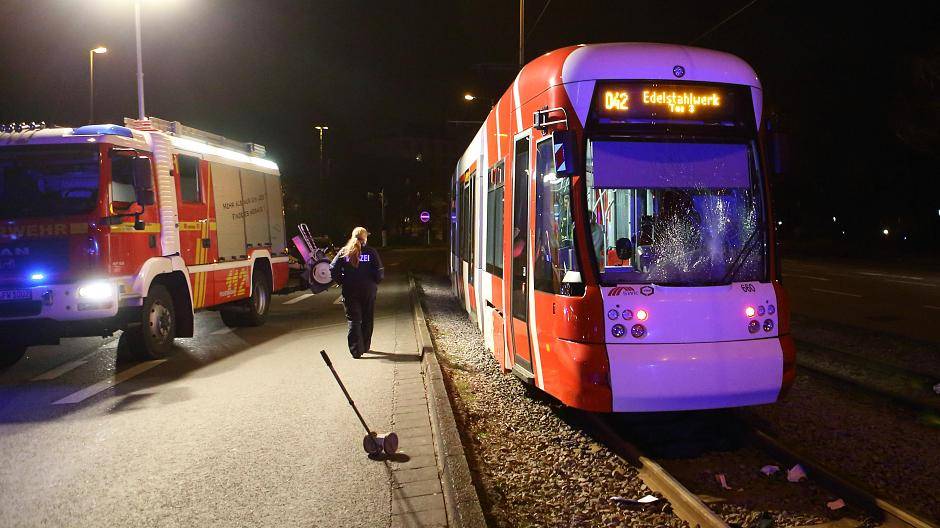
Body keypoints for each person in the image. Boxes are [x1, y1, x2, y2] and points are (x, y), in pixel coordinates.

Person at [330, 227, 384, 358]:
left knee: (354, 320)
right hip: (368, 290)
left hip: (350, 290)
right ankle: (365, 346)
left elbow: (332, 268)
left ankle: (356, 350)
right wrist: (374, 282)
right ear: (365, 238)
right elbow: (379, 272)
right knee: (367, 318)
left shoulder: (344, 252)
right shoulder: (371, 252)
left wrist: (342, 280)